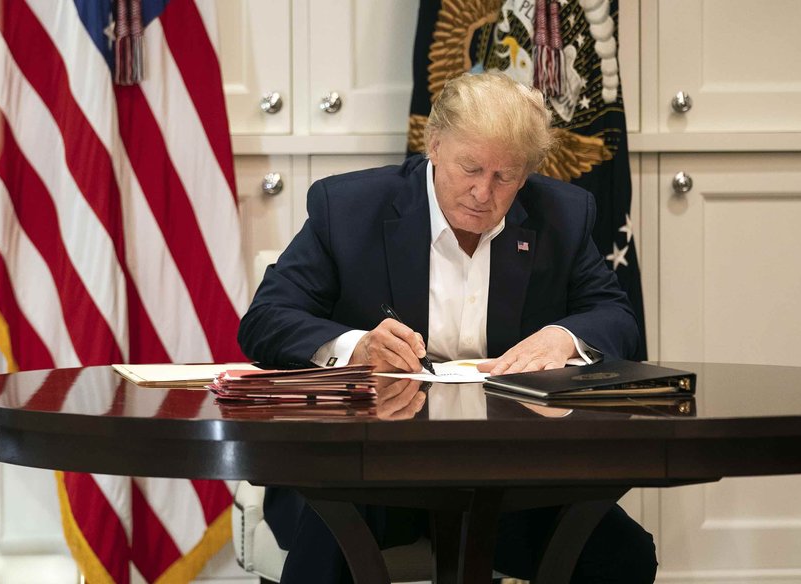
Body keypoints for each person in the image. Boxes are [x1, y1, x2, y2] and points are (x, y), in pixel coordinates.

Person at [238, 71, 655, 583]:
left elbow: (616, 318)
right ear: (434, 145)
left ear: (526, 174)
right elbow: (265, 321)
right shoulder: (347, 209)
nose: (484, 192)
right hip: (366, 469)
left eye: (505, 176)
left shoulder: (562, 216)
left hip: (508, 476)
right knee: (330, 539)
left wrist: (564, 335)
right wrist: (356, 346)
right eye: (471, 168)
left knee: (623, 554)